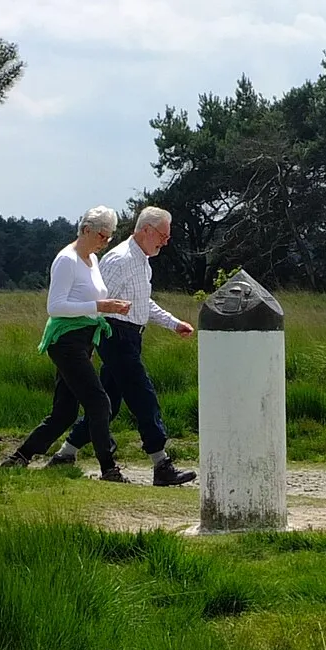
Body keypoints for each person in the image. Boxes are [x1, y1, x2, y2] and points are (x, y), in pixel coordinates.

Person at [48, 206, 198, 487]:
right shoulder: (120, 259)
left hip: (130, 335)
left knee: (108, 403)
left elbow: (143, 303)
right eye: (162, 236)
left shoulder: (143, 261)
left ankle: (66, 454)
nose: (165, 241)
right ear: (145, 230)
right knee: (143, 395)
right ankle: (161, 463)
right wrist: (88, 343)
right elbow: (100, 301)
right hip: (116, 334)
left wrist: (174, 323)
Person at [0, 206, 134, 481]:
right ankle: (108, 468)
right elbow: (55, 306)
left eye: (108, 237)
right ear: (86, 230)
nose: (105, 242)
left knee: (64, 413)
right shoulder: (66, 260)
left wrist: (108, 308)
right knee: (99, 402)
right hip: (65, 341)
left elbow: (89, 302)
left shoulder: (92, 260)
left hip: (84, 340)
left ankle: (19, 458)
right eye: (102, 236)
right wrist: (100, 305)